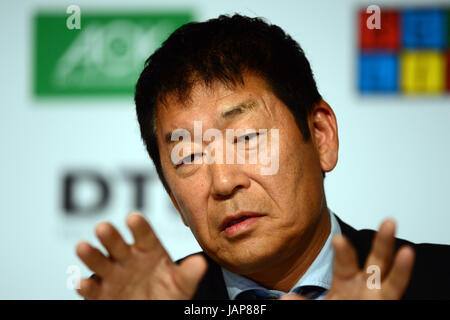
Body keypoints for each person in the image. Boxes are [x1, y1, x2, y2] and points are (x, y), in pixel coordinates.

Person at [75, 14, 450, 300]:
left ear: (321, 136)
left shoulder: (436, 281)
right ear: (173, 197)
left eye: (247, 137)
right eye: (188, 156)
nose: (223, 182)